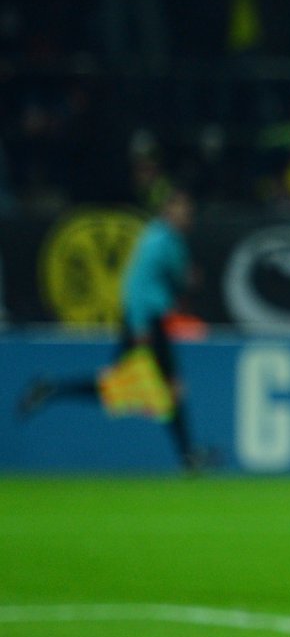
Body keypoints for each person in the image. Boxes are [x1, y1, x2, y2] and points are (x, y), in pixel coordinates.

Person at [18, 190, 209, 469]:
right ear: (167, 211)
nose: (187, 216)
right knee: (167, 387)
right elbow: (137, 285)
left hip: (145, 322)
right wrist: (140, 327)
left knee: (126, 388)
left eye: (188, 211)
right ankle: (188, 455)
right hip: (146, 323)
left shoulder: (164, 239)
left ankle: (52, 388)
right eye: (182, 211)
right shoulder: (160, 240)